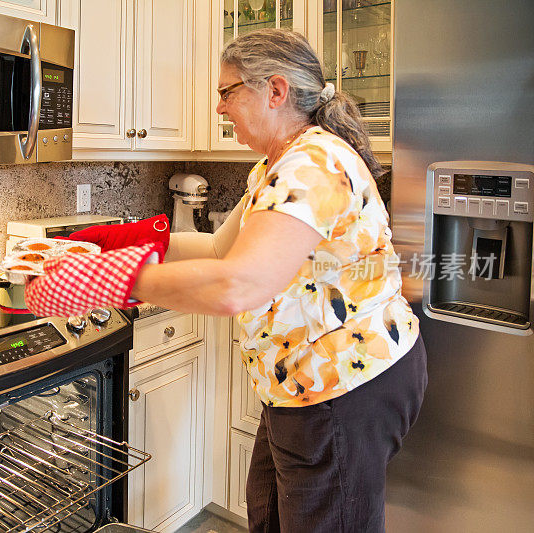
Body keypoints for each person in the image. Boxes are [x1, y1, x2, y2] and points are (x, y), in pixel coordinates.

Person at [25, 28, 427, 533]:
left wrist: (116, 278)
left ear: (275, 91)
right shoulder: (275, 165)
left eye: (226, 92)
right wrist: (126, 237)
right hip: (298, 385)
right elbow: (220, 248)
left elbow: (238, 283)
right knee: (270, 513)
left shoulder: (313, 164)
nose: (219, 108)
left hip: (345, 384)